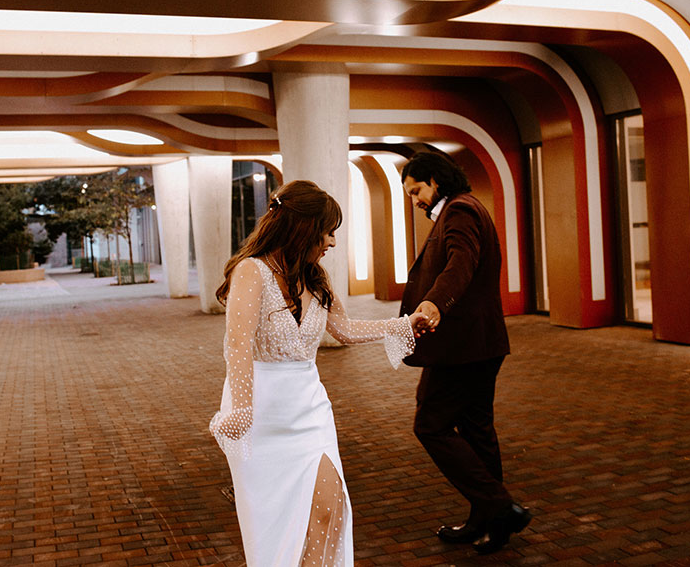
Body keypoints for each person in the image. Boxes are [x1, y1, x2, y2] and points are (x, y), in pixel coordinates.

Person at [209, 179, 424, 567]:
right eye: (328, 231)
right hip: (259, 415)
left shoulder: (315, 277)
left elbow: (343, 330)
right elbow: (237, 343)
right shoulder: (251, 272)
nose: (332, 242)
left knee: (331, 508)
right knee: (276, 524)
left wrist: (402, 325)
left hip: (310, 412)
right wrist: (240, 408)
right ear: (303, 227)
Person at [399, 150, 531, 555]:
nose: (415, 199)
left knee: (430, 424)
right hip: (477, 344)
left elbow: (461, 263)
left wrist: (435, 303)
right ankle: (489, 522)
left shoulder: (459, 212)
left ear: (436, 180)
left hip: (462, 345)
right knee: (476, 430)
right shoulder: (461, 209)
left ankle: (498, 507)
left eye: (417, 190)